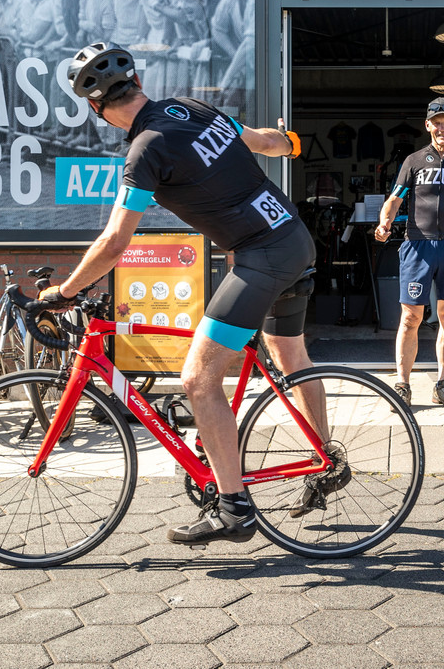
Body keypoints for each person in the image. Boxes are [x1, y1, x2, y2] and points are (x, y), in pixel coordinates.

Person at [40, 42, 330, 547]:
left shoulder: (145, 149)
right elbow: (262, 142)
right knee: (290, 356)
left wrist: (64, 291)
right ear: (139, 84)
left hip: (263, 255)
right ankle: (327, 460)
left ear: (96, 108)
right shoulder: (188, 108)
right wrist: (292, 143)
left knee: (197, 378)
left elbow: (114, 242)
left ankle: (234, 510)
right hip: (292, 238)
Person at [374, 97, 444, 410]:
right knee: (411, 317)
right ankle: (403, 385)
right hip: (417, 246)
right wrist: (385, 221)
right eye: (437, 122)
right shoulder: (413, 161)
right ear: (428, 126)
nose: (442, 127)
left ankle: (443, 385)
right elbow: (394, 199)